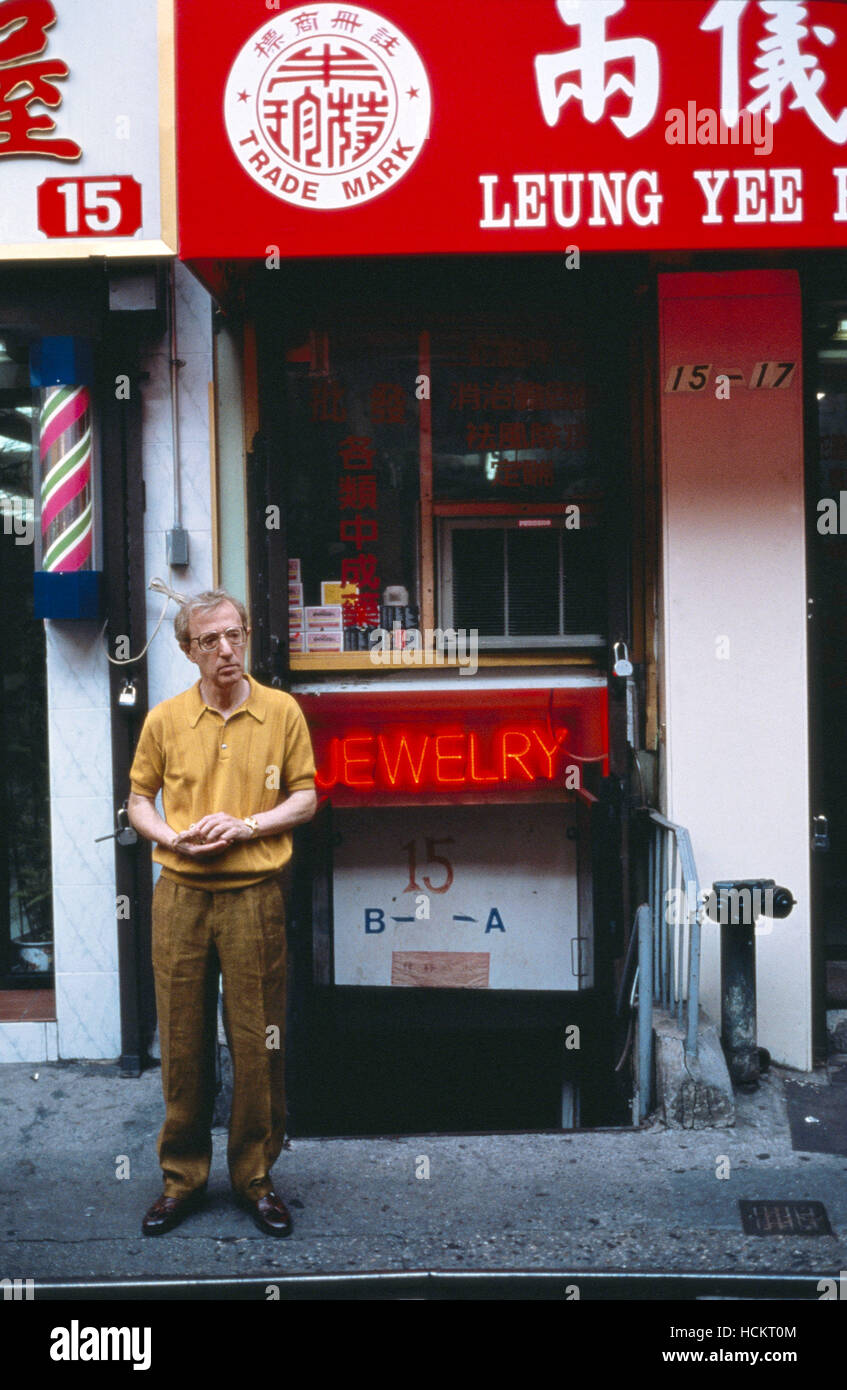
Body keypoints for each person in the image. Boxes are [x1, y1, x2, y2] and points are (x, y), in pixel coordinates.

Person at [127, 588, 317, 1237]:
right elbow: (138, 800)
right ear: (187, 650)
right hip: (178, 896)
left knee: (257, 1041)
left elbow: (306, 797)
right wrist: (167, 835)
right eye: (209, 640)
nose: (227, 649)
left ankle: (254, 1178)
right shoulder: (164, 720)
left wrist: (245, 825)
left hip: (252, 896)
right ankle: (182, 1179)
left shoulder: (281, 712)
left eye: (234, 634)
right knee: (182, 1044)